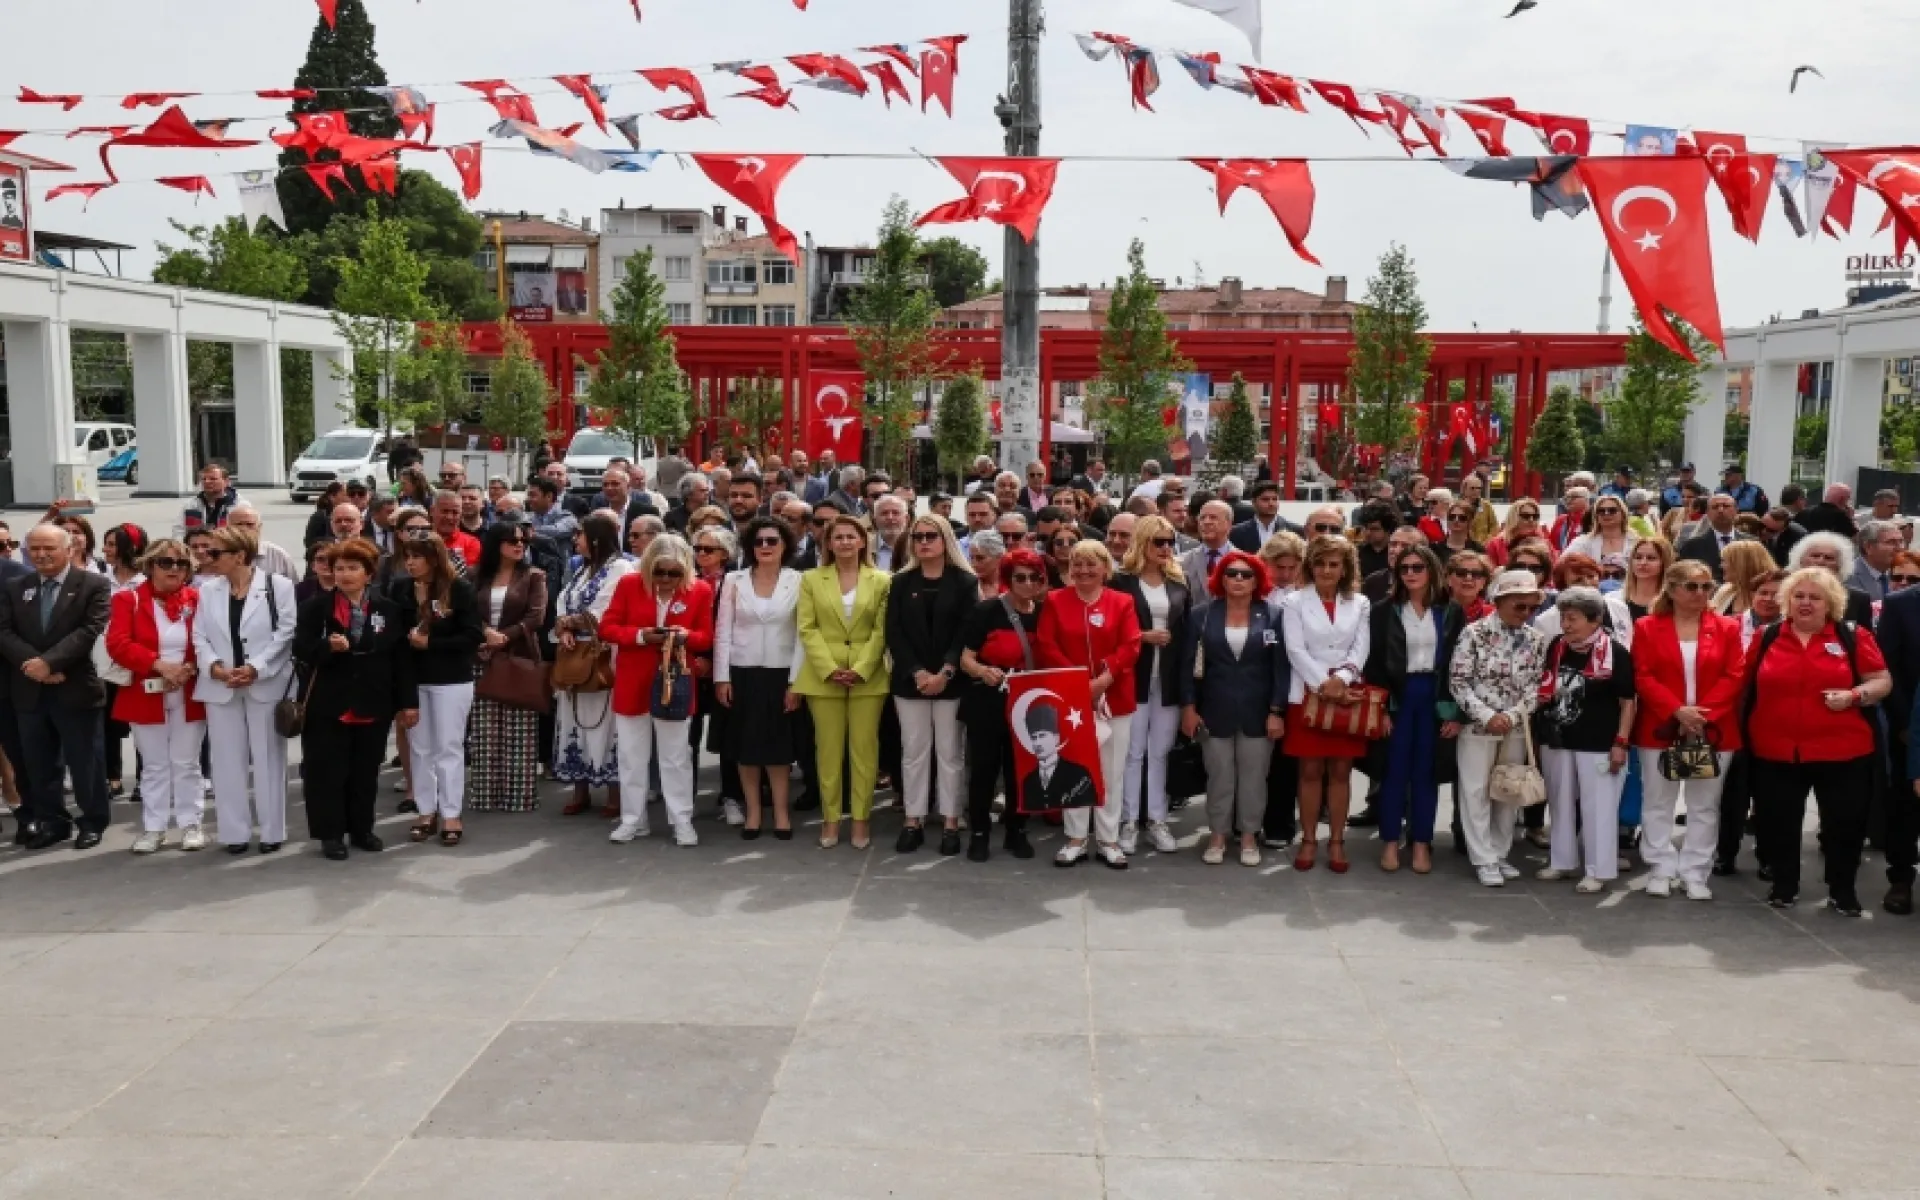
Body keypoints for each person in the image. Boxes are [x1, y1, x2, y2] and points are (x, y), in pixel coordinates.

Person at [1749, 568, 1891, 915]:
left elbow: (1881, 681)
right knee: (1778, 821)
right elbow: (1742, 683)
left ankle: (1842, 890)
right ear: (1787, 601)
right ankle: (1783, 885)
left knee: (1845, 825)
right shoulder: (1766, 635)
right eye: (1798, 596)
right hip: (1775, 749)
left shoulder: (1851, 636)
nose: (1805, 603)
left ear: (1831, 603)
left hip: (1843, 750)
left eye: (1815, 597)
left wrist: (1854, 695)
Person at [294, 538, 418, 861]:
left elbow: (401, 660)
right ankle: (330, 834)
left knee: (365, 770)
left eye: (353, 568)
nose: (345, 574)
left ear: (369, 573)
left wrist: (408, 703)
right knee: (327, 772)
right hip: (328, 703)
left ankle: (362, 828)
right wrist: (326, 648)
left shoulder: (388, 609)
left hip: (373, 701)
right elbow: (301, 650)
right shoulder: (315, 608)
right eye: (339, 568)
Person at [1631, 559, 1746, 901]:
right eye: (1692, 586)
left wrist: (1701, 715)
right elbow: (1643, 675)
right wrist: (1676, 710)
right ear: (1672, 589)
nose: (1701, 593)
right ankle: (1660, 866)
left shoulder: (1726, 627)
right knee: (1658, 800)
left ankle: (1695, 871)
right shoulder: (1648, 627)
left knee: (1704, 803)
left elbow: (1735, 674)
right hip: (1661, 727)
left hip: (1713, 729)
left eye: (1706, 586)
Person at [0, 524, 113, 850]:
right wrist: (34, 666)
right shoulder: (16, 586)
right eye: (34, 549)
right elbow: (4, 631)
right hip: (29, 689)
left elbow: (89, 630)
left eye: (49, 548)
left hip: (74, 686)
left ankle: (92, 821)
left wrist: (50, 663)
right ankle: (53, 823)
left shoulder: (93, 584)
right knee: (39, 763)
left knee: (85, 761)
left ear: (70, 549)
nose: (41, 554)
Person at [1036, 539, 1142, 868]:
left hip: (1115, 698)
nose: (1083, 570)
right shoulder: (1055, 600)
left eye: (1091, 563)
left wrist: (1103, 681)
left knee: (1111, 770)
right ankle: (1076, 838)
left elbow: (1131, 645)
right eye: (1078, 564)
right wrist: (1078, 681)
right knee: (1075, 768)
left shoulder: (1122, 602)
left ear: (1105, 569)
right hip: (1070, 698)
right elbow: (1046, 643)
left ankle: (1109, 838)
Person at [601, 535, 713, 847]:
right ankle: (632, 820)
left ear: (685, 570)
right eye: (658, 572)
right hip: (633, 681)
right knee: (631, 757)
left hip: (674, 681)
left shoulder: (700, 590)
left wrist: (685, 635)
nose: (665, 580)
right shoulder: (629, 584)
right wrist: (640, 636)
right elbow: (607, 628)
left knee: (675, 756)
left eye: (673, 573)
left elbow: (706, 638)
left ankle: (682, 821)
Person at [1179, 551, 1288, 867]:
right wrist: (1188, 707)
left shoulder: (1274, 615)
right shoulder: (1202, 615)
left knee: (1255, 777)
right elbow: (1188, 666)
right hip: (1214, 709)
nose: (1238, 580)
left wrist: (1277, 711)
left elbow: (1281, 669)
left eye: (1246, 574)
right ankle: (1218, 835)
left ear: (1258, 580)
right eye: (1231, 573)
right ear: (1220, 578)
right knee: (1219, 776)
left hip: (1259, 711)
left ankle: (1250, 835)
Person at [194, 525, 297, 854]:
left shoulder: (277, 586)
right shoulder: (209, 590)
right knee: (226, 760)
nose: (207, 558)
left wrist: (256, 667)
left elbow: (286, 631)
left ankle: (271, 831)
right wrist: (214, 667)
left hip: (264, 683)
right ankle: (234, 832)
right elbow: (199, 636)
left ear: (240, 555)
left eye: (215, 553)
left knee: (268, 758)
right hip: (221, 684)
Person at [105, 539, 207, 854]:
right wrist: (158, 665)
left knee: (187, 762)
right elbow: (117, 643)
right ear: (150, 566)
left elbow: (210, 639)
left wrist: (188, 667)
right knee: (154, 764)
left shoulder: (199, 598)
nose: (174, 569)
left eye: (181, 564)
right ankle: (154, 827)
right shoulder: (128, 599)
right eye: (166, 562)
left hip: (188, 689)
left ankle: (191, 823)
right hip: (145, 691)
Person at [795, 514, 891, 850]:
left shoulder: (881, 580)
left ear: (863, 541)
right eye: (839, 537)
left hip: (869, 676)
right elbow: (806, 628)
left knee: (864, 752)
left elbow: (881, 630)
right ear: (828, 543)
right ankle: (831, 818)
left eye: (852, 536)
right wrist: (829, 668)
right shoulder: (810, 579)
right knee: (828, 751)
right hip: (824, 677)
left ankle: (861, 819)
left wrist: (862, 667)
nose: (846, 542)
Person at [1532, 587, 1637, 893]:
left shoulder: (1616, 653)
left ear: (1595, 620)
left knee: (1599, 809)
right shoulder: (1557, 646)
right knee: (1560, 803)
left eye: (1573, 619)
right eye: (1563, 617)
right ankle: (1561, 861)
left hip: (1600, 742)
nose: (1565, 625)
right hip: (1559, 737)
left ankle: (1598, 869)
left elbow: (1627, 702)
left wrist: (1621, 742)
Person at [1449, 570, 1550, 887]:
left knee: (1508, 790)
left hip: (1515, 726)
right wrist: (1485, 714)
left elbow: (1539, 687)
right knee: (1475, 790)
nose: (1526, 613)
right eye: (1519, 605)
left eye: (1531, 607)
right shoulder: (1473, 633)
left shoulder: (1535, 639)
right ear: (1500, 601)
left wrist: (1515, 713)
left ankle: (1500, 852)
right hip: (1479, 727)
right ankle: (1483, 857)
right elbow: (1459, 681)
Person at [1363, 544, 1460, 874]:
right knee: (1393, 773)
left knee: (1426, 774)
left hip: (1433, 696)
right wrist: (1383, 709)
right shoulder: (1383, 610)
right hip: (1397, 697)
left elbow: (1455, 665)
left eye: (1417, 567)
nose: (1410, 574)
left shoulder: (1449, 610)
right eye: (1404, 569)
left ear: (1431, 570)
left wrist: (1452, 712)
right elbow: (1374, 662)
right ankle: (1390, 841)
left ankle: (1421, 843)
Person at [884, 514, 977, 855]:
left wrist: (946, 672)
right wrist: (918, 673)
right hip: (911, 683)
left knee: (951, 753)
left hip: (951, 682)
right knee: (914, 753)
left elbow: (967, 632)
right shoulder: (901, 582)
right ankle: (914, 819)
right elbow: (894, 633)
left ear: (945, 540)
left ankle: (951, 820)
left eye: (931, 536)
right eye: (918, 536)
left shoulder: (965, 582)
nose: (923, 542)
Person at [1282, 534, 1371, 874]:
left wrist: (1342, 680)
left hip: (1347, 693)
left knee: (1341, 771)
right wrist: (1323, 684)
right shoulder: (1293, 601)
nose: (1327, 570)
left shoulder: (1360, 603)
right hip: (1306, 692)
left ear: (1345, 567)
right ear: (1310, 565)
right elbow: (1295, 649)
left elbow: (1360, 649)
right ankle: (1307, 839)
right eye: (1320, 563)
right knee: (1309, 771)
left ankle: (1336, 840)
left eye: (1334, 564)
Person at [714, 516, 802, 840]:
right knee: (746, 747)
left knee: (778, 749)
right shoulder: (733, 580)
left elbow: (803, 635)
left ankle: (780, 812)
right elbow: (723, 631)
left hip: (782, 672)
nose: (764, 547)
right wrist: (721, 678)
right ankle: (752, 812)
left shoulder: (798, 580)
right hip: (742, 672)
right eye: (759, 542)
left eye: (772, 541)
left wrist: (796, 681)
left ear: (785, 546)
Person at [956, 548, 1047, 862]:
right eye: (1019, 577)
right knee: (983, 769)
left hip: (1028, 701)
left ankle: (1016, 830)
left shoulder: (1044, 612)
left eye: (1034, 577)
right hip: (988, 700)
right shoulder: (987, 611)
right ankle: (980, 833)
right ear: (1008, 578)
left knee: (1020, 770)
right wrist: (983, 670)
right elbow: (965, 657)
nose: (1027, 583)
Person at [392, 534, 482, 846]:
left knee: (449, 746)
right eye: (407, 556)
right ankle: (425, 811)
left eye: (416, 556)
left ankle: (451, 813)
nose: (410, 563)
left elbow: (472, 637)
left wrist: (431, 643)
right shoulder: (400, 590)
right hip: (415, 679)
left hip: (451, 680)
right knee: (420, 747)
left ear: (433, 558)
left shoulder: (458, 589)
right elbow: (395, 641)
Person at [1112, 514, 1191, 856]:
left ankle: (1157, 820)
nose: (1165, 548)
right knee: (1133, 753)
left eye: (1170, 542)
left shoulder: (1179, 584)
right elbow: (1111, 631)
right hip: (1135, 677)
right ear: (1142, 542)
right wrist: (1141, 637)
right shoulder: (1121, 582)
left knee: (1159, 753)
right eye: (1158, 541)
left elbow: (1187, 639)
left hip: (1169, 680)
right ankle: (1129, 821)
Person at [552, 512, 635, 816]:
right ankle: (580, 788)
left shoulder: (622, 567)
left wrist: (571, 623)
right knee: (573, 719)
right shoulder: (582, 569)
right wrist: (563, 628)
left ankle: (614, 793)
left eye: (581, 535)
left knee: (607, 720)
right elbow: (562, 601)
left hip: (603, 654)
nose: (576, 540)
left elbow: (607, 608)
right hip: (574, 654)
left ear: (596, 538)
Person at [465, 520, 549, 815]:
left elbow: (536, 616)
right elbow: (466, 611)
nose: (519, 545)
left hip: (519, 657)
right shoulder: (476, 575)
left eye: (523, 541)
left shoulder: (534, 576)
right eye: (512, 540)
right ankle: (486, 796)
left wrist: (505, 637)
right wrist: (487, 633)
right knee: (485, 732)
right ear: (496, 544)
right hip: (483, 658)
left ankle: (519, 797)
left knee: (520, 732)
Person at [1787, 532, 1877, 627]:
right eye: (1815, 556)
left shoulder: (1858, 599)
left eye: (1829, 558)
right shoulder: (1785, 591)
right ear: (1800, 560)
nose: (1821, 561)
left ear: (1840, 566)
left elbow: (1866, 637)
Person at [1677, 493, 1748, 580]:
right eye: (1715, 507)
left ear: (1736, 510)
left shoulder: (1751, 543)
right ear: (1707, 513)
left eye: (1726, 506)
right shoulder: (1692, 547)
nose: (1720, 510)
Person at [1566, 493, 1639, 573]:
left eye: (1612, 510)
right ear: (1596, 516)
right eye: (1601, 511)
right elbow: (1563, 563)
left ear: (1623, 514)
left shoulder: (1636, 542)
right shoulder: (1582, 542)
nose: (1606, 513)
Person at [225, 504, 298, 580]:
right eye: (239, 524)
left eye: (250, 524)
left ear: (259, 527)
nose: (244, 529)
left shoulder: (278, 556)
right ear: (227, 528)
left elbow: (293, 587)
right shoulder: (218, 554)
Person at [1711, 542, 1781, 619]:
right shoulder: (1724, 591)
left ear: (1741, 564)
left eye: (1725, 561)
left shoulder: (1780, 593)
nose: (1721, 566)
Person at [1229, 481, 1296, 551]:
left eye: (1275, 499)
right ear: (1253, 502)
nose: (1271, 503)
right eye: (1265, 499)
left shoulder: (1294, 531)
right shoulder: (1236, 533)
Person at [1850, 518, 1904, 601]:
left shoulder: (1905, 574)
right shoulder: (1848, 576)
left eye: (1901, 541)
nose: (1899, 548)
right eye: (1891, 542)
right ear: (1868, 547)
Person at [1621, 538, 1674, 620]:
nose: (1643, 563)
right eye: (1638, 557)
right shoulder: (1615, 598)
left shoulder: (1674, 602)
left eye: (1651, 558)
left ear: (1664, 563)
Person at [1486, 499, 1547, 567]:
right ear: (1513, 517)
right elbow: (1490, 573)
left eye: (1535, 516)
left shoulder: (1545, 544)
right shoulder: (1496, 545)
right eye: (1525, 516)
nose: (1531, 520)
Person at [183, 463, 243, 531]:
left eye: (213, 479)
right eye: (204, 479)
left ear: (226, 482)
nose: (207, 482)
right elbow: (179, 530)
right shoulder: (191, 505)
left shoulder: (240, 506)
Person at [1444, 550, 1495, 623]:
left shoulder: (1493, 615)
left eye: (1476, 574)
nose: (1468, 578)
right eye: (1461, 572)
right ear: (1448, 579)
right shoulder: (1433, 612)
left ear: (1483, 582)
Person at [1436, 499, 1486, 564]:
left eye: (1462, 518)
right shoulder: (1436, 549)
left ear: (1470, 522)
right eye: (1452, 517)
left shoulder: (1478, 549)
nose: (1456, 520)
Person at [1546, 488, 1591, 555]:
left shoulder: (1592, 520)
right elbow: (1550, 543)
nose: (1569, 500)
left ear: (1586, 499)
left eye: (1574, 497)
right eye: (1567, 497)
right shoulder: (1561, 519)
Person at [966, 530, 1007, 601]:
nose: (974, 564)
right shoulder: (967, 586)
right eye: (971, 558)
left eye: (980, 558)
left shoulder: (1013, 584)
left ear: (999, 557)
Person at [305, 483, 348, 549]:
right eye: (344, 495)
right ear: (332, 497)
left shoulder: (352, 513)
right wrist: (335, 541)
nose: (348, 498)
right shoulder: (320, 516)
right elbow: (309, 541)